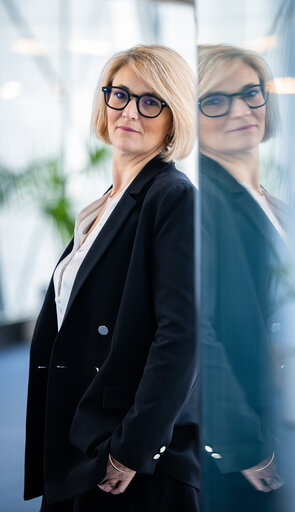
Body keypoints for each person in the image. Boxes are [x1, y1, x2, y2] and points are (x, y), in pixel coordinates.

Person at [24, 44, 199, 512]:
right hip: (77, 434)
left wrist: (131, 449)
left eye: (150, 101)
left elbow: (180, 335)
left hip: (122, 450)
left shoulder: (173, 196)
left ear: (173, 115)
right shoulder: (106, 204)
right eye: (119, 94)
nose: (130, 111)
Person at [198, 44, 288, 511]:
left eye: (252, 93)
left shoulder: (275, 204)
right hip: (252, 433)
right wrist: (242, 443)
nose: (241, 109)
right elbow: (197, 333)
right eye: (215, 100)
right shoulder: (200, 202)